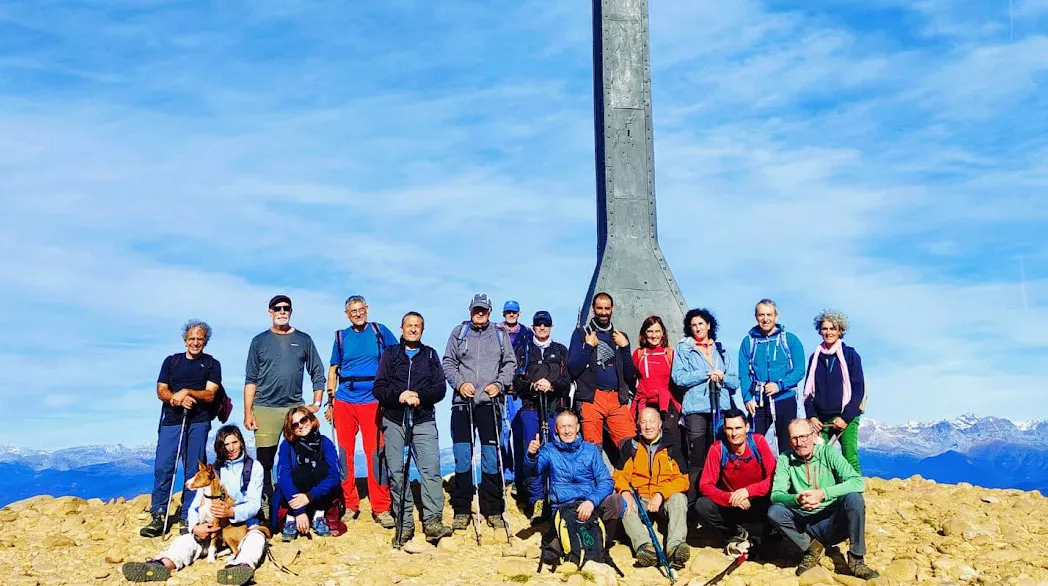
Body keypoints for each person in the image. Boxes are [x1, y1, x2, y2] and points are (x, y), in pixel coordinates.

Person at [122, 426, 267, 585]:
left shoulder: (254, 468)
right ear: (220, 447)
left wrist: (232, 512)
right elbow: (195, 506)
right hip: (212, 532)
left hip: (241, 528)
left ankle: (240, 566)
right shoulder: (213, 471)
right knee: (185, 540)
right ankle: (162, 564)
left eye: (235, 442)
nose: (231, 448)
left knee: (256, 540)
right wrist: (194, 527)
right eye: (226, 445)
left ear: (241, 443)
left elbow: (254, 504)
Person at [373, 311, 454, 546]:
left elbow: (439, 389)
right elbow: (379, 388)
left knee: (430, 468)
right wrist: (399, 396)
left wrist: (420, 396)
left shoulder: (430, 355)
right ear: (401, 328)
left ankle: (432, 522)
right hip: (395, 419)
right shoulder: (390, 355)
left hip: (423, 419)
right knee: (397, 472)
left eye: (417, 325)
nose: (413, 329)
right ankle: (404, 523)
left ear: (423, 329)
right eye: (409, 325)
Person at [243, 295, 327, 511]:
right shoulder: (259, 341)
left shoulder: (304, 340)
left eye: (286, 308)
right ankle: (267, 503)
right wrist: (248, 413)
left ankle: (301, 504)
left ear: (290, 312)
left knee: (300, 458)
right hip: (264, 408)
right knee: (265, 461)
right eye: (277, 308)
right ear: (270, 312)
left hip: (294, 409)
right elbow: (251, 379)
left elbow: (317, 372)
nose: (282, 311)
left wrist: (317, 402)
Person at [443, 293, 518, 531]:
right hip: (462, 404)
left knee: (490, 458)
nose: (480, 313)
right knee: (463, 456)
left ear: (490, 311)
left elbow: (510, 364)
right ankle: (462, 510)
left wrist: (499, 384)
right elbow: (448, 363)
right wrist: (459, 383)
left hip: (490, 403)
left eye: (484, 310)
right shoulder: (458, 332)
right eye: (476, 309)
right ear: (470, 310)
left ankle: (494, 510)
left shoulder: (500, 334)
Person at [768, 419, 878, 579]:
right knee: (775, 511)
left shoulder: (828, 453)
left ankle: (856, 559)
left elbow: (857, 482)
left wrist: (823, 494)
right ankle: (812, 548)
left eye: (804, 436)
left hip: (833, 520)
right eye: (794, 438)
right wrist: (796, 499)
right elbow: (776, 495)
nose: (800, 442)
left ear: (813, 436)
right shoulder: (785, 459)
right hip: (806, 523)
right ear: (789, 440)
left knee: (854, 499)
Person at [141, 321, 223, 538]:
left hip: (199, 420)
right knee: (164, 467)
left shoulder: (212, 364)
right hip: (172, 420)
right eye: (192, 339)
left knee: (192, 470)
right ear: (185, 340)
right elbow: (161, 391)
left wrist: (187, 392)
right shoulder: (171, 362)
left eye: (200, 338)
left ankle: (189, 515)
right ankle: (158, 515)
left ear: (205, 341)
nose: (195, 342)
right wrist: (177, 400)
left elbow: (210, 394)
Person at [323, 295, 398, 528]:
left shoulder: (379, 331)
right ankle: (350, 504)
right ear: (346, 314)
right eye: (352, 311)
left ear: (367, 309)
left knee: (375, 453)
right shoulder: (340, 337)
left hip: (373, 400)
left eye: (360, 309)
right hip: (345, 400)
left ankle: (382, 507)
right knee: (344, 455)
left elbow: (396, 358)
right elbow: (333, 370)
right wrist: (330, 402)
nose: (357, 313)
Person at [523, 409, 622, 541]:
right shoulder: (549, 450)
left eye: (570, 426)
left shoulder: (590, 449)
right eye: (562, 427)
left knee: (616, 501)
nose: (567, 431)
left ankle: (603, 541)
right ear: (556, 429)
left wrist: (591, 501)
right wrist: (532, 455)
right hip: (564, 508)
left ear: (577, 428)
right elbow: (532, 471)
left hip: (589, 504)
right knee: (556, 551)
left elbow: (606, 481)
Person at [671, 308, 739, 499]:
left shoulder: (721, 349)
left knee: (720, 453)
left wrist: (722, 376)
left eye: (701, 324)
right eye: (693, 325)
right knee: (698, 456)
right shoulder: (683, 348)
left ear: (709, 325)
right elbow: (679, 377)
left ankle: (720, 497)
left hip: (721, 407)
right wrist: (706, 374)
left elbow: (735, 382)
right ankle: (695, 502)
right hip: (696, 408)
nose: (697, 328)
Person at [614, 407, 691, 569]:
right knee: (622, 501)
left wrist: (661, 495)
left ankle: (674, 547)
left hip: (663, 500)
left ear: (660, 423)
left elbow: (683, 480)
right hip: (639, 498)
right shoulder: (631, 446)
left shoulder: (671, 446)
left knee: (679, 498)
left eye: (652, 421)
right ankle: (645, 547)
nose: (648, 426)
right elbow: (619, 475)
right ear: (638, 424)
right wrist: (625, 491)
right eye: (643, 422)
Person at [512, 310, 571, 517]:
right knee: (533, 452)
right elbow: (516, 381)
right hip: (530, 409)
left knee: (557, 453)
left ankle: (557, 499)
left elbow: (567, 380)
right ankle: (536, 500)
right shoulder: (524, 350)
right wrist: (533, 387)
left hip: (555, 409)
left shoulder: (561, 350)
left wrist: (551, 385)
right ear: (533, 326)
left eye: (546, 324)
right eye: (538, 324)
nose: (542, 327)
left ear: (552, 327)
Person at [695, 408, 776, 553]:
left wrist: (748, 491)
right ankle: (735, 533)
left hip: (758, 501)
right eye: (730, 428)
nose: (734, 433)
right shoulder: (717, 449)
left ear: (747, 427)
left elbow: (774, 477)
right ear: (724, 429)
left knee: (777, 500)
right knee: (703, 505)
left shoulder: (758, 442)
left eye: (738, 428)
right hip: (733, 504)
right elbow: (705, 485)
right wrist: (730, 498)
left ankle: (768, 534)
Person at [567, 292, 637, 448]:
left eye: (607, 308)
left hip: (616, 398)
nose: (603, 312)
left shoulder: (620, 336)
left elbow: (630, 375)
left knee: (631, 448)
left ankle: (625, 474)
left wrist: (625, 348)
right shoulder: (581, 334)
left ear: (612, 309)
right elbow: (572, 369)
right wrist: (588, 347)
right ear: (593, 309)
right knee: (593, 450)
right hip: (591, 399)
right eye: (600, 308)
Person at [803, 310, 866, 474]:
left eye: (833, 328)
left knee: (849, 456)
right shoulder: (815, 357)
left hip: (846, 417)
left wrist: (845, 417)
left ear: (840, 331)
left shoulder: (851, 356)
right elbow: (807, 391)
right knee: (815, 454)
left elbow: (858, 390)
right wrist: (812, 416)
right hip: (820, 419)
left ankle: (855, 493)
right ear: (820, 331)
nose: (828, 332)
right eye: (825, 328)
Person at [738, 299, 805, 454]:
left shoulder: (790, 340)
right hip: (759, 400)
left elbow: (800, 370)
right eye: (761, 315)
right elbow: (744, 373)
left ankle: (786, 475)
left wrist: (779, 385)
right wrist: (747, 398)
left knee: (786, 442)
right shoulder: (748, 342)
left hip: (785, 397)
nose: (765, 319)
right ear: (756, 317)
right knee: (752, 441)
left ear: (776, 316)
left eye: (769, 314)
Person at [274, 407, 345, 542]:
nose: (301, 426)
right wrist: (299, 511)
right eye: (295, 425)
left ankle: (319, 514)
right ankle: (291, 517)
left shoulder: (324, 442)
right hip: (295, 497)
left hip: (317, 495)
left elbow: (335, 475)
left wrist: (310, 496)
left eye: (303, 420)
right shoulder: (287, 446)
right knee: (300, 474)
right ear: (291, 429)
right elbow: (283, 477)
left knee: (322, 469)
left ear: (311, 419)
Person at [496, 300, 532, 494]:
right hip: (499, 391)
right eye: (508, 312)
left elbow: (529, 360)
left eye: (514, 312)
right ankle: (506, 476)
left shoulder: (527, 334)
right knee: (501, 434)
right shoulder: (493, 333)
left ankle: (519, 476)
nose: (511, 315)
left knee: (519, 433)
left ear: (519, 313)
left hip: (518, 391)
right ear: (503, 313)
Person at [631, 316, 681, 449]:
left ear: (663, 333)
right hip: (645, 403)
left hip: (666, 404)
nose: (654, 336)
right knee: (644, 438)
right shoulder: (639, 354)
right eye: (650, 331)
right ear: (644, 333)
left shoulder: (669, 353)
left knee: (669, 439)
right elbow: (630, 378)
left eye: (657, 331)